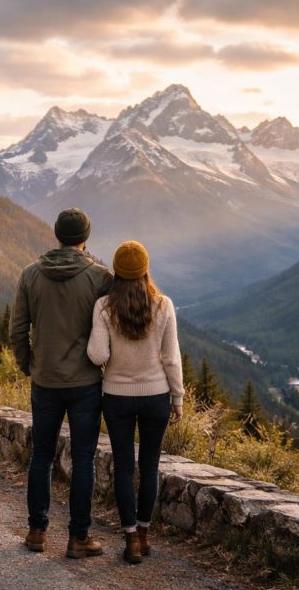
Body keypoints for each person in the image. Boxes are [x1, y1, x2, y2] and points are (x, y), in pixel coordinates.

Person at [10, 207, 113, 558]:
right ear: (85, 237)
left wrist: (29, 365)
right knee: (83, 459)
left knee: (42, 456)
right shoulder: (100, 278)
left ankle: (37, 531)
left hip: (45, 380)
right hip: (85, 382)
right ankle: (78, 537)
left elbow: (17, 329)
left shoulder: (30, 274)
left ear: (57, 234)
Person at [86, 240, 184, 564]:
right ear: (145, 269)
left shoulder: (103, 306)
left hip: (117, 398)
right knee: (150, 465)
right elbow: (171, 358)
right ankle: (144, 534)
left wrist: (112, 361)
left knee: (124, 467)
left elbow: (98, 354)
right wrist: (178, 398)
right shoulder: (163, 304)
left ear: (116, 271)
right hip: (156, 397)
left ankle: (129, 539)